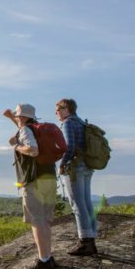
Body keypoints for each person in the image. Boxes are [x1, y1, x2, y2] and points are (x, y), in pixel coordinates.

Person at [3, 103, 58, 269]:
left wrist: (16, 146)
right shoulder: (36, 128)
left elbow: (33, 150)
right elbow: (23, 129)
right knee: (46, 220)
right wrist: (12, 119)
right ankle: (48, 256)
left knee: (37, 220)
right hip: (48, 178)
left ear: (23, 117)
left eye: (18, 116)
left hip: (33, 181)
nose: (17, 119)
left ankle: (44, 260)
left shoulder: (26, 131)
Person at [56, 98, 97, 255]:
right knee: (86, 202)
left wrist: (61, 164)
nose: (56, 113)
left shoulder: (68, 123)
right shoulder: (81, 122)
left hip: (75, 167)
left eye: (58, 110)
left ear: (66, 108)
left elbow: (70, 147)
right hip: (87, 166)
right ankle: (91, 239)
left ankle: (85, 242)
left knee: (77, 204)